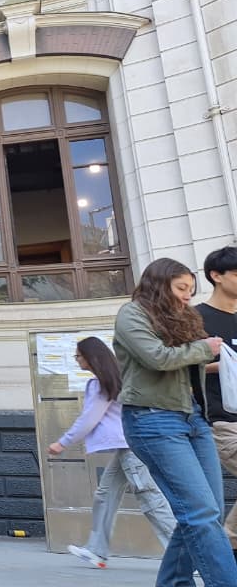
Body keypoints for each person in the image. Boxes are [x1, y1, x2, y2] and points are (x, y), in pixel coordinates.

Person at [114, 258, 232, 586]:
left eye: (191, 291)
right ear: (159, 284)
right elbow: (157, 358)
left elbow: (184, 366)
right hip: (153, 420)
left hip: (194, 419)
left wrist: (217, 362)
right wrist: (203, 348)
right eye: (181, 288)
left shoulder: (183, 317)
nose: (186, 296)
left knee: (206, 513)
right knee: (201, 515)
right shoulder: (132, 313)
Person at [46, 336, 175, 568]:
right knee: (105, 495)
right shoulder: (116, 379)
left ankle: (188, 555)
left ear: (90, 357)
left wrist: (63, 443)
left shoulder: (102, 384)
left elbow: (89, 419)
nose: (76, 360)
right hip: (129, 446)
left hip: (132, 447)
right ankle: (97, 550)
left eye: (78, 356)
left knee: (151, 499)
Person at [198, 246, 237, 554]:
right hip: (223, 419)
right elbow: (183, 365)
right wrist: (228, 363)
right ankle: (226, 545)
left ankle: (227, 545)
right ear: (216, 276)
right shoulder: (197, 317)